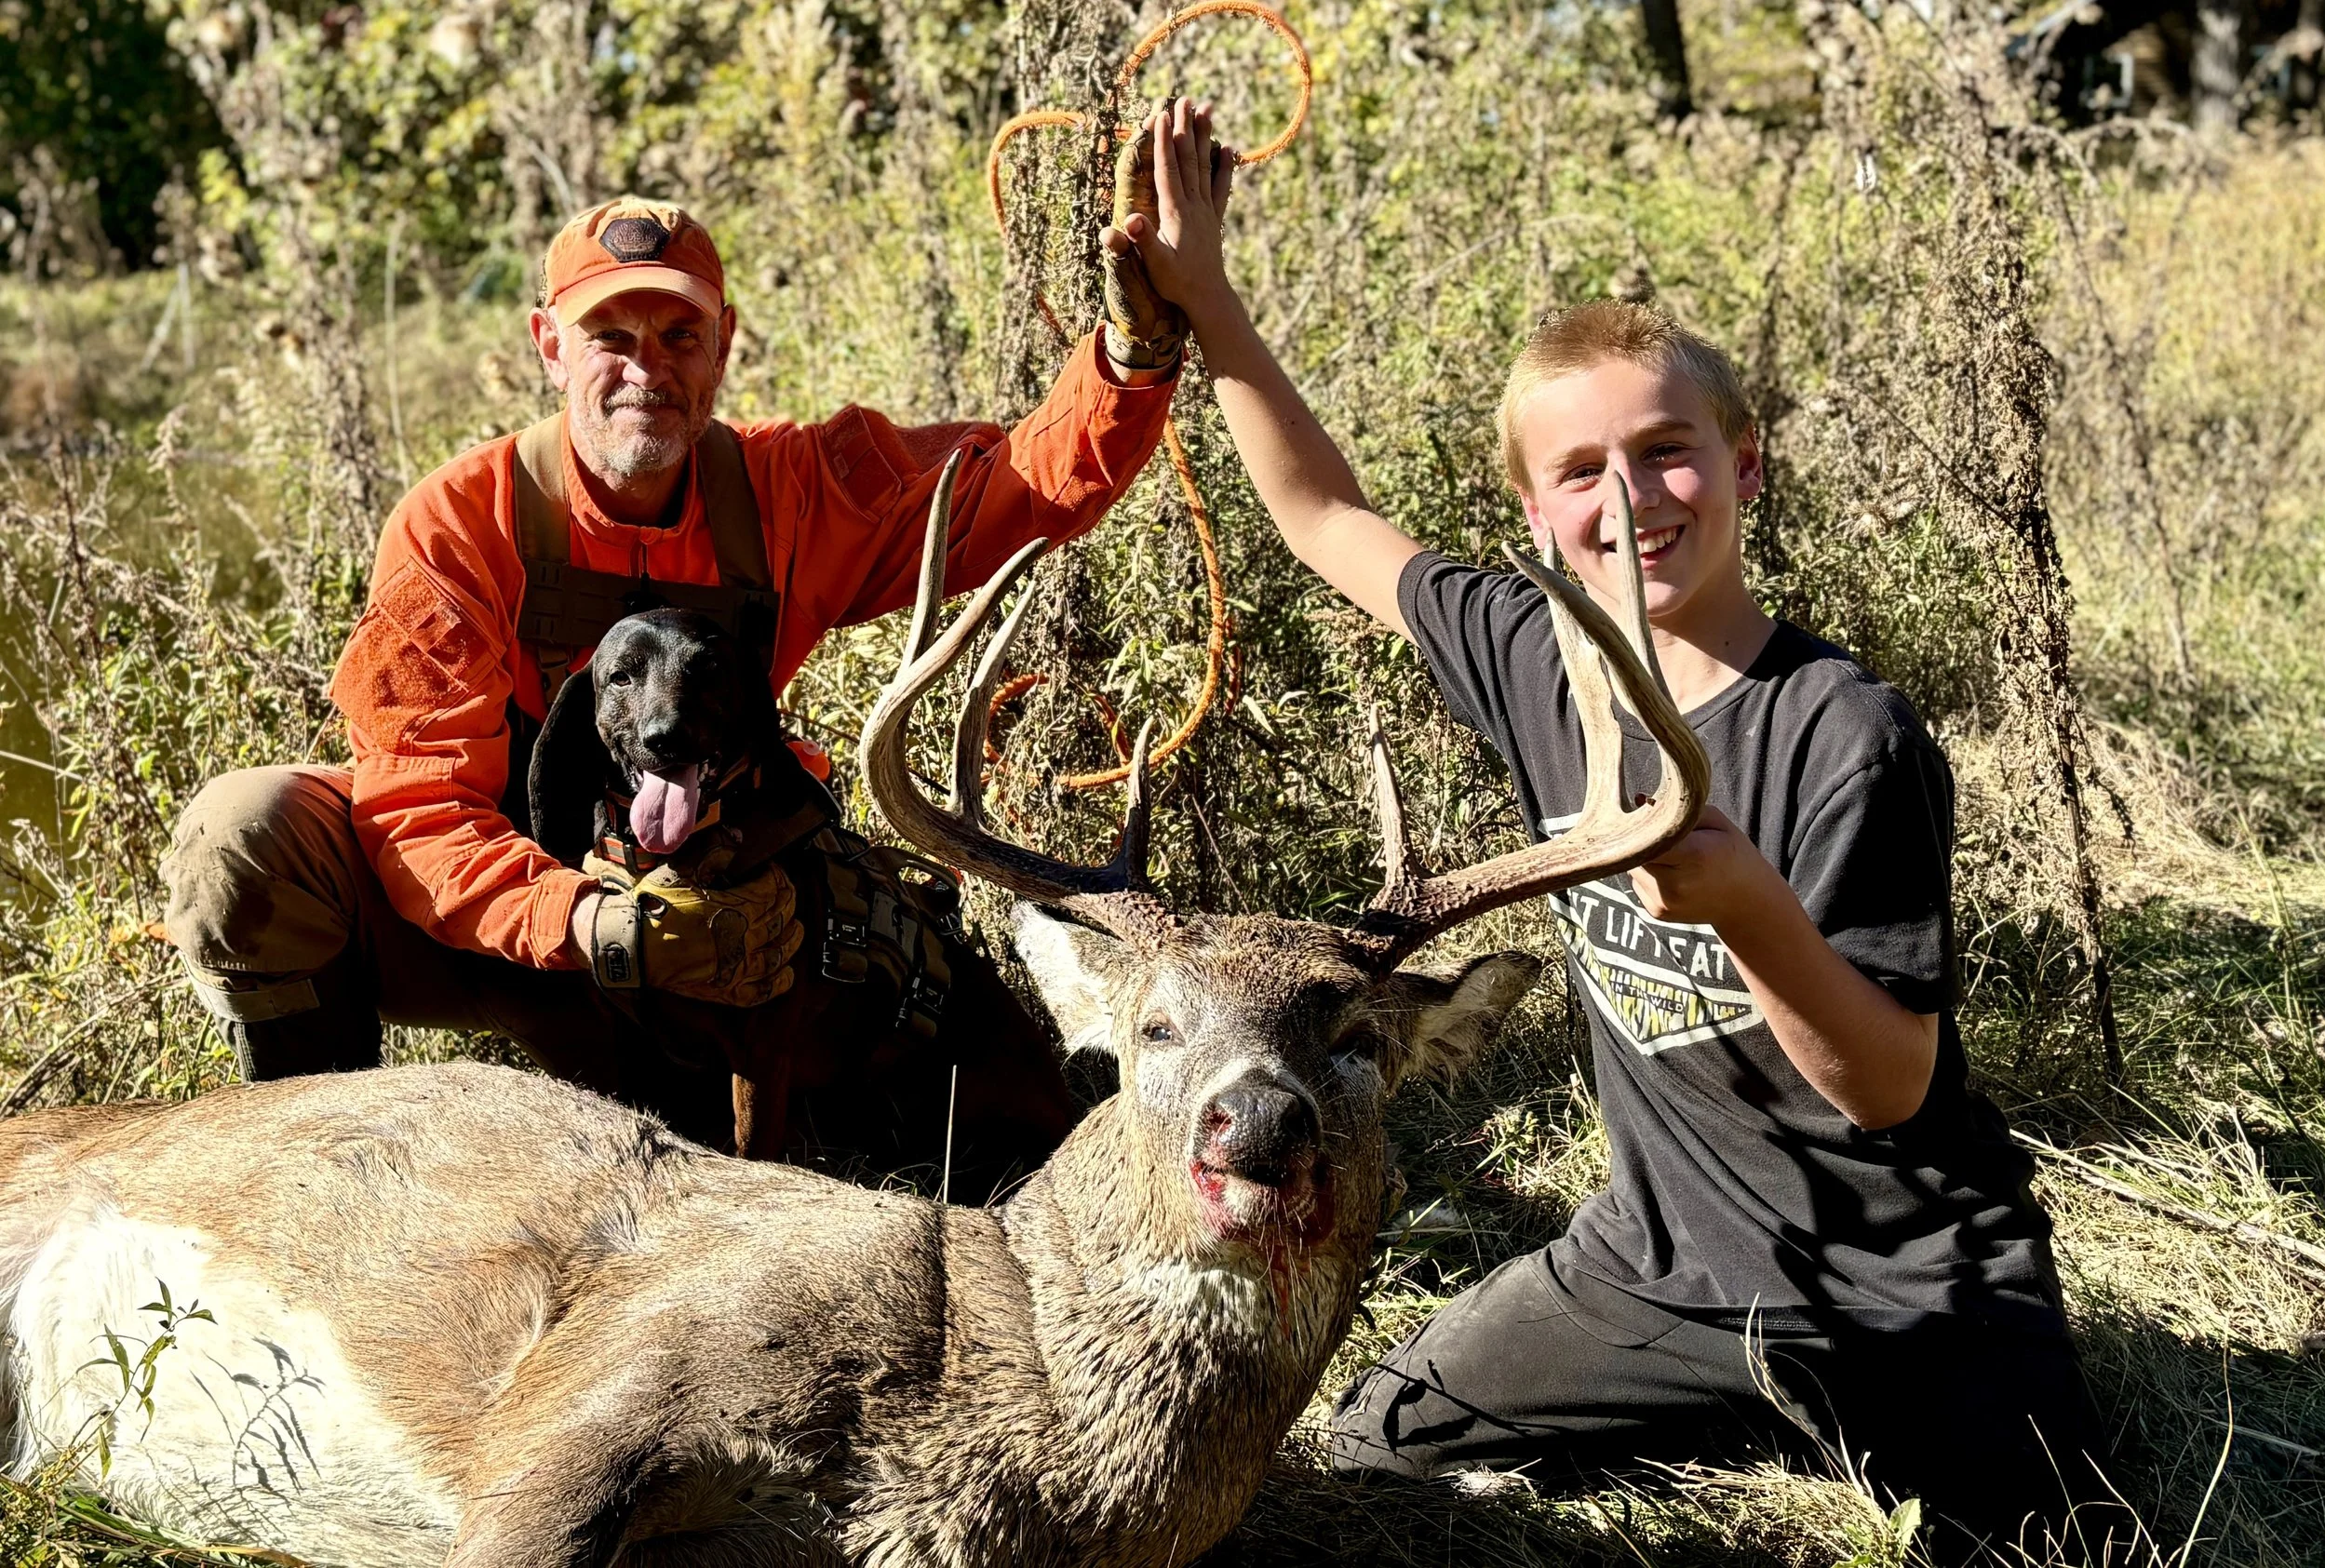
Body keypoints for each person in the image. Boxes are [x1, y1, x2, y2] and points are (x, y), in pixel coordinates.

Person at [1113, 101, 2120, 1559]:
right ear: (1533, 508)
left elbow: (1893, 1087)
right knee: (1374, 1437)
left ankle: (1857, 1413)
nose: (1629, 498)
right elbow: (1323, 512)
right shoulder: (1535, 656)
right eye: (1578, 471)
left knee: (2057, 1542)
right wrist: (1206, 298)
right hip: (1658, 1268)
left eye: (1667, 451)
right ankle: (1728, 1398)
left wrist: (1740, 903)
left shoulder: (1848, 735)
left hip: (1909, 1280)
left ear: (1745, 465)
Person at [162, 194, 1187, 1151]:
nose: (644, 368)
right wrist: (594, 923)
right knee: (245, 835)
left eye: (678, 337)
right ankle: (315, 1170)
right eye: (610, 337)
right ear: (548, 347)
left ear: (723, 346)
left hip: (710, 911)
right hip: (497, 917)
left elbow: (1015, 488)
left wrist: (1130, 358)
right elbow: (418, 808)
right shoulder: (457, 525)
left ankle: (768, 1147)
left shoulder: (794, 490)